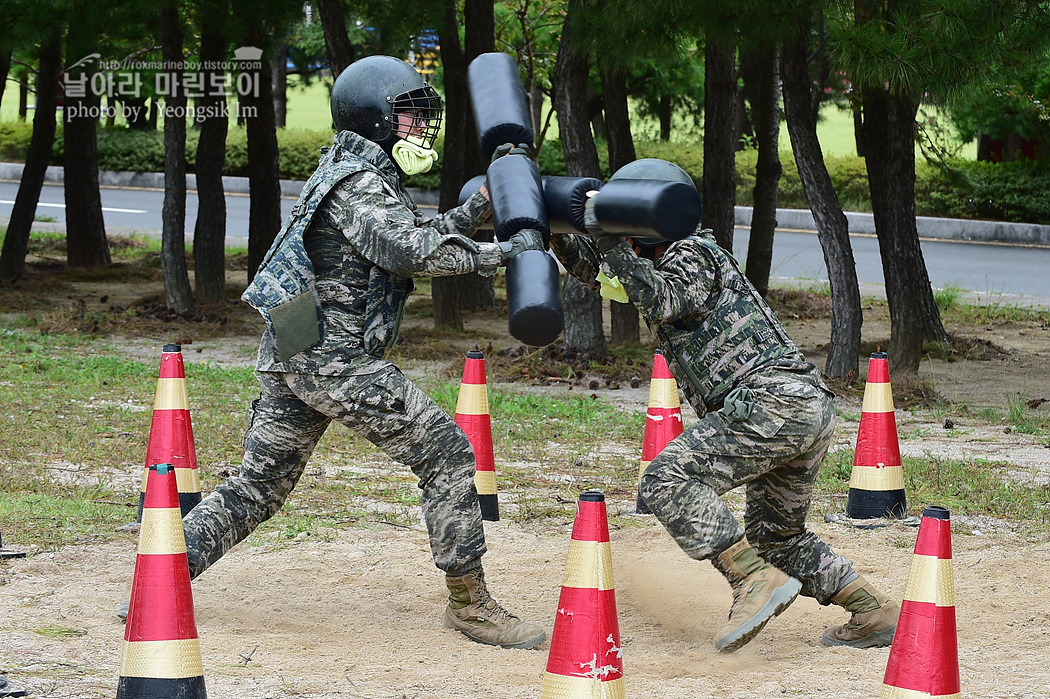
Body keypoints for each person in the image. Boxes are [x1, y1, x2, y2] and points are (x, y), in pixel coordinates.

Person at [177, 55, 546, 650]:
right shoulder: (360, 183)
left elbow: (407, 237)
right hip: (334, 360)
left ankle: (158, 580)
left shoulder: (351, 171)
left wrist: (476, 210)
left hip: (297, 346)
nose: (420, 128)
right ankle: (470, 606)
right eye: (409, 116)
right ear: (375, 119)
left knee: (257, 486)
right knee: (448, 452)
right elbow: (414, 253)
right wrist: (507, 253)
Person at [549, 158, 900, 653]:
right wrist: (556, 231)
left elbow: (659, 299)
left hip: (771, 403)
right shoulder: (657, 259)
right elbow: (606, 276)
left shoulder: (694, 254)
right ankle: (871, 609)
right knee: (776, 537)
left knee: (667, 480)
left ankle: (753, 581)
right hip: (800, 409)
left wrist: (605, 238)